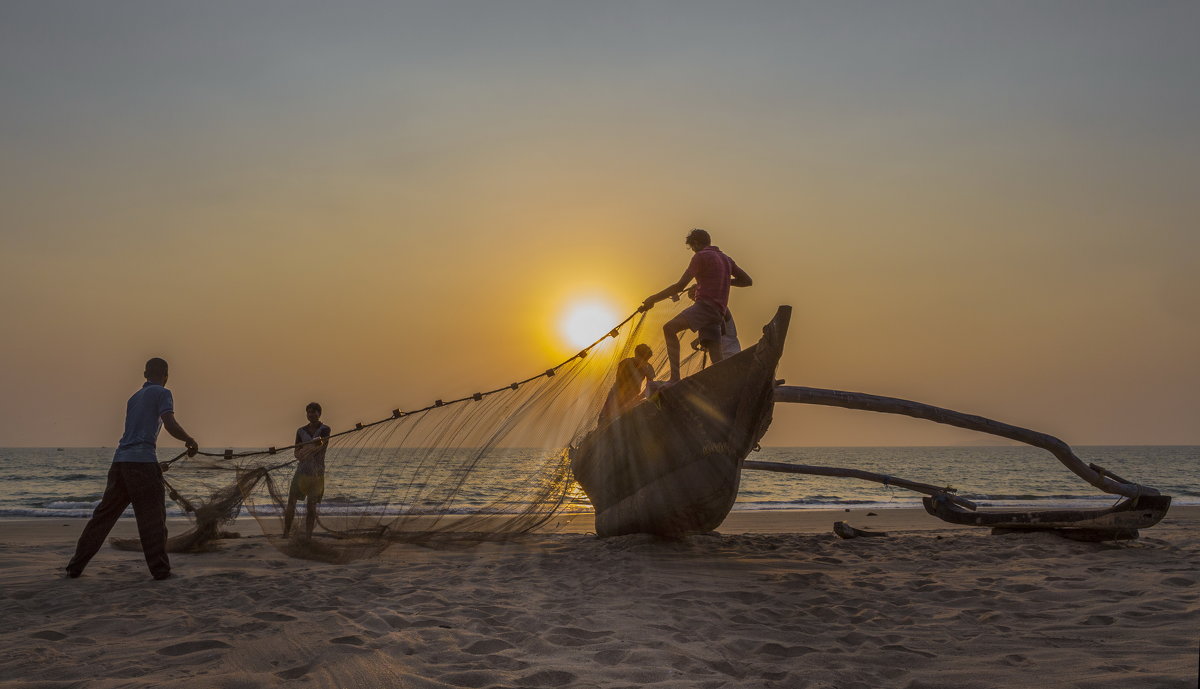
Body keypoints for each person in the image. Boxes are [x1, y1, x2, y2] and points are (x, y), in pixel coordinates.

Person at [66, 357, 198, 580]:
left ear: (145, 374)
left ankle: (74, 567)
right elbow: (169, 423)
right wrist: (189, 440)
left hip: (120, 463)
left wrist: (152, 465)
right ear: (166, 374)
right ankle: (161, 572)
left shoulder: (133, 398)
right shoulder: (163, 393)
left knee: (103, 518)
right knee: (153, 521)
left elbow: (135, 436)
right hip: (142, 464)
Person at [642, 229, 752, 382]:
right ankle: (729, 383)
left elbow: (679, 286)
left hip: (705, 308)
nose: (693, 250)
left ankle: (675, 378)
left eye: (692, 247)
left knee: (669, 328)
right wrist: (723, 280)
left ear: (696, 243)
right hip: (717, 314)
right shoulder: (726, 259)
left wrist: (652, 299)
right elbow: (747, 281)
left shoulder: (700, 256)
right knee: (717, 360)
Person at [282, 402, 331, 539]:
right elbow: (296, 451)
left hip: (317, 473)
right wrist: (300, 454)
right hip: (302, 472)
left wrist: (306, 451)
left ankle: (308, 536)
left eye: (314, 412)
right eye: (309, 412)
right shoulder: (300, 431)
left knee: (311, 506)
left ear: (319, 414)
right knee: (291, 502)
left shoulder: (325, 429)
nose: (311, 414)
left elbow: (321, 446)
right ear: (306, 414)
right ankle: (286, 533)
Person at [598, 344, 657, 424]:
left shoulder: (648, 367)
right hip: (616, 393)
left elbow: (650, 385)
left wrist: (640, 397)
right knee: (605, 417)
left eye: (646, 359)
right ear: (636, 354)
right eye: (642, 358)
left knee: (621, 418)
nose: (644, 361)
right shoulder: (626, 362)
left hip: (632, 396)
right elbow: (619, 380)